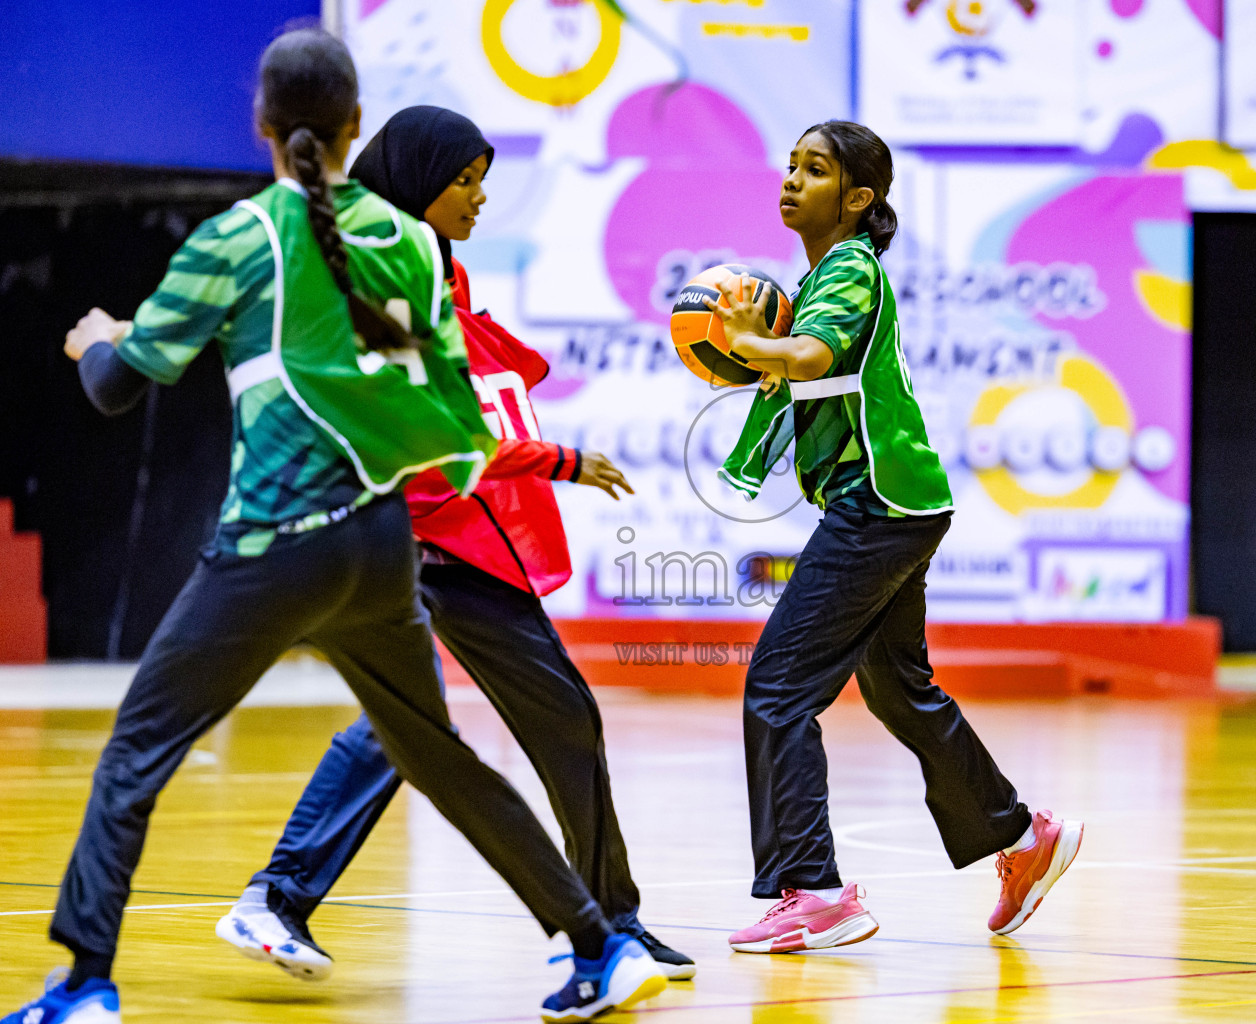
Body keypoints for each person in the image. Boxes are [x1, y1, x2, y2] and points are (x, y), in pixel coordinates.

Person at [2, 31, 663, 1024]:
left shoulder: (240, 238)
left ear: (262, 126)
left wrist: (98, 337)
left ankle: (87, 982)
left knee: (137, 752)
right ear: (356, 126)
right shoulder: (410, 249)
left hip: (274, 547)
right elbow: (449, 420)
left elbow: (111, 389)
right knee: (438, 754)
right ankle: (599, 945)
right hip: (382, 550)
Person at [213, 105, 695, 983]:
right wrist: (559, 460)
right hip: (412, 531)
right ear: (416, 183)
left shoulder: (442, 274)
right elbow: (423, 426)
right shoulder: (381, 275)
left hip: (460, 532)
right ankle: (280, 898)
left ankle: (608, 919)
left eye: (482, 183)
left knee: (499, 723)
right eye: (463, 183)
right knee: (462, 727)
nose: (478, 200)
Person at [706, 121, 1084, 953]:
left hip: (877, 508)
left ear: (858, 198)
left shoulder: (847, 268)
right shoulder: (825, 275)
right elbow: (801, 360)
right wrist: (755, 354)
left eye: (815, 170)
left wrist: (748, 345)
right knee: (896, 688)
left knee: (778, 684)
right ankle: (1023, 837)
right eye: (790, 166)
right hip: (899, 504)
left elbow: (809, 354)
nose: (792, 180)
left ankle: (816, 892)